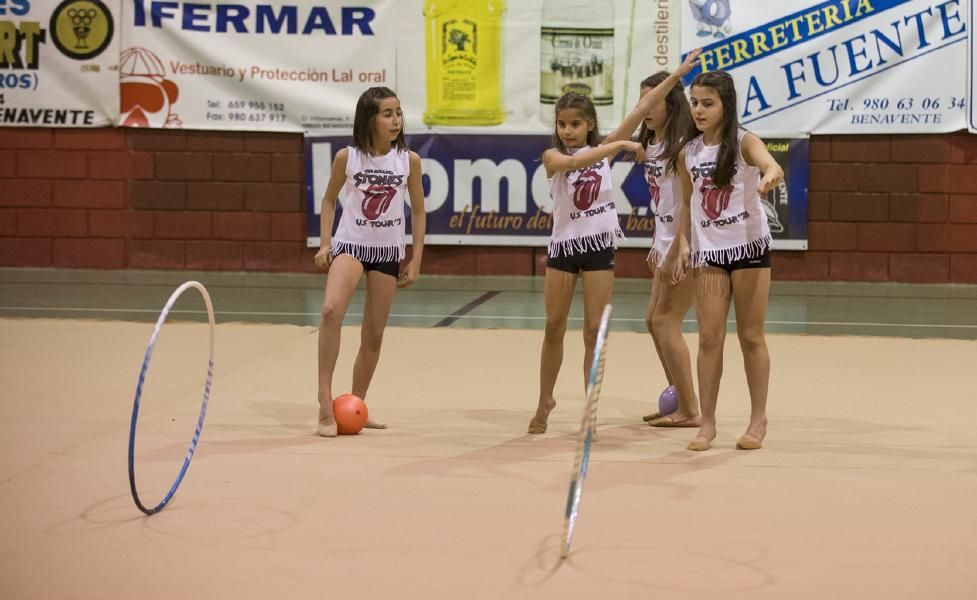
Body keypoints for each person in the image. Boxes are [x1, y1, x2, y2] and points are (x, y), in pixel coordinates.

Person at [672, 70, 784, 451]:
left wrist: (769, 175)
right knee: (708, 336)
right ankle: (708, 422)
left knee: (751, 336)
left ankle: (758, 418)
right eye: (695, 102)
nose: (699, 110)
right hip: (710, 252)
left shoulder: (743, 141)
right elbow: (686, 203)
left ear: (725, 105)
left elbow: (772, 165)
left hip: (749, 247)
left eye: (708, 103)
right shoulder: (688, 151)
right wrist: (683, 242)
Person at [527, 91, 645, 434]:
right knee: (554, 326)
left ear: (589, 124)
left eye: (575, 124)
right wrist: (622, 145)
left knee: (594, 331)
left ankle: (590, 407)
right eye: (562, 124)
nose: (567, 131)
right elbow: (574, 164)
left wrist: (676, 76)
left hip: (597, 247)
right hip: (564, 247)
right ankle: (544, 399)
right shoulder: (552, 155)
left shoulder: (602, 151)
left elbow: (640, 109)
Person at [313, 86, 426, 437]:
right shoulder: (348, 157)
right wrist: (325, 243)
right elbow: (329, 200)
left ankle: (355, 406)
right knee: (331, 310)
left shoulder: (408, 161)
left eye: (398, 113)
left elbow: (419, 210)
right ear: (370, 119)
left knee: (373, 335)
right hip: (351, 244)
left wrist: (416, 258)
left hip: (388, 250)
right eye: (387, 114)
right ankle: (324, 403)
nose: (396, 120)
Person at [603, 50, 701, 428]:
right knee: (652, 319)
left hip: (686, 243)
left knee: (665, 322)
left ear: (671, 104)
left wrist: (678, 246)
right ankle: (679, 395)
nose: (645, 108)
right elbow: (663, 202)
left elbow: (688, 203)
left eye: (653, 101)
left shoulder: (681, 148)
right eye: (641, 101)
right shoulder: (653, 145)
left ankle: (691, 409)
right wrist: (658, 244)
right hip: (664, 242)